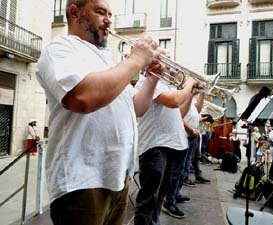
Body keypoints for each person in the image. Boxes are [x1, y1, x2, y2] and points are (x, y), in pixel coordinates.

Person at [36, 1, 165, 225]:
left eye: (110, 14)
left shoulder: (108, 61)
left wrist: (152, 78)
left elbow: (136, 108)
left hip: (117, 179)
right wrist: (136, 60)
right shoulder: (60, 49)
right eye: (100, 12)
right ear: (75, 12)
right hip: (82, 182)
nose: (108, 19)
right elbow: (83, 98)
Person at [134, 72, 201, 223]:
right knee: (149, 199)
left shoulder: (169, 87)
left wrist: (191, 93)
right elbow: (173, 101)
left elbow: (179, 113)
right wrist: (189, 82)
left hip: (171, 145)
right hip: (155, 145)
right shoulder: (148, 81)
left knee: (160, 196)